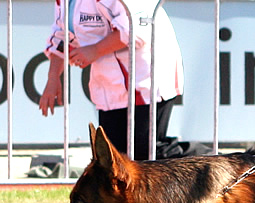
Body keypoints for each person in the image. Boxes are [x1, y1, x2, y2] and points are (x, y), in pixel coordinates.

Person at [39, 0, 206, 160]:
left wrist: (95, 50)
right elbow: (62, 36)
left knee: (147, 153)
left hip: (146, 77)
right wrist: (53, 78)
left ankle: (214, 160)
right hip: (109, 85)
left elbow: (139, 28)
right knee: (113, 159)